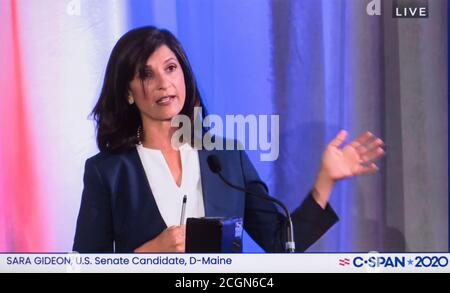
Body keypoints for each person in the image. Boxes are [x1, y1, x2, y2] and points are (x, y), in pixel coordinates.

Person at [73, 26, 385, 253]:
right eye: (146, 74)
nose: (163, 83)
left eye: (170, 68)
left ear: (184, 75)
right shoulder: (107, 171)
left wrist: (325, 181)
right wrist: (151, 252)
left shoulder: (226, 157)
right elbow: (86, 265)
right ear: (128, 92)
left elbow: (281, 244)